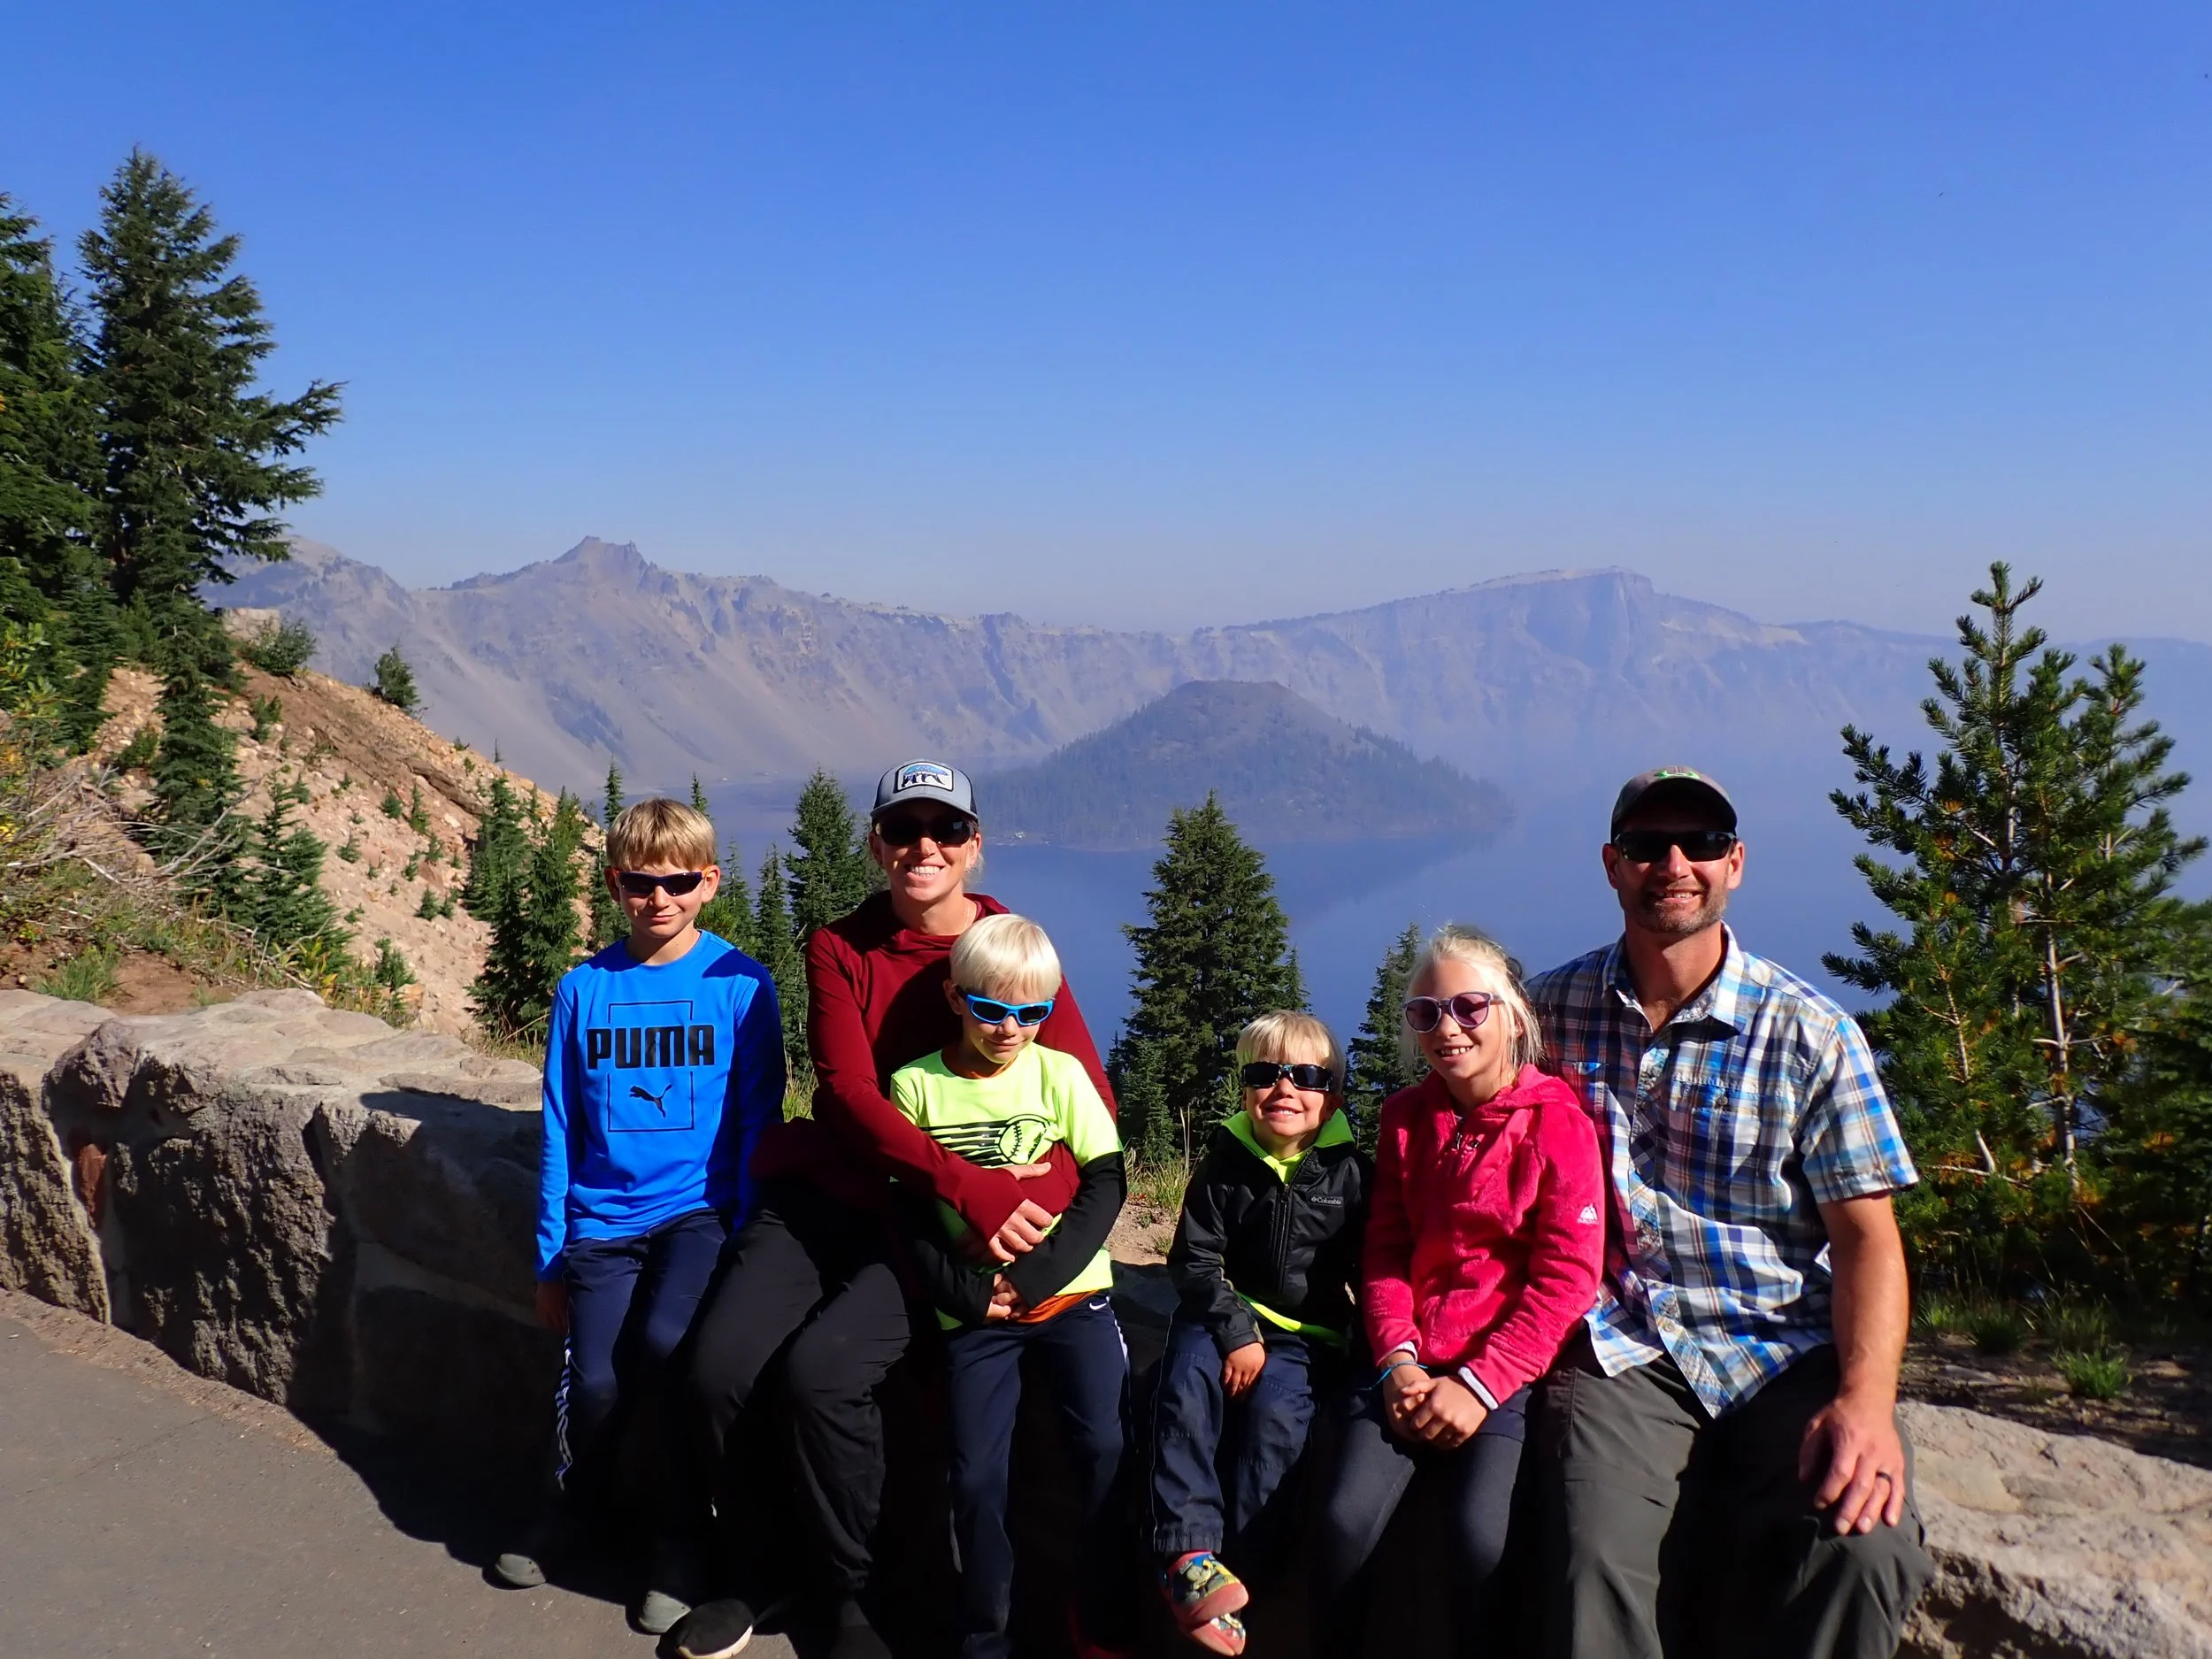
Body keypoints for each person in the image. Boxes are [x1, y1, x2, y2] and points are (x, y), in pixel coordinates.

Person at [676, 760, 1116, 1659]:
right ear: (877, 843)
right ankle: (759, 1569)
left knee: (823, 1374)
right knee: (715, 1366)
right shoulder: (841, 947)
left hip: (925, 1227)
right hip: (840, 1192)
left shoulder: (1012, 948)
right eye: (905, 830)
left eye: (946, 831)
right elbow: (847, 1097)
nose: (925, 847)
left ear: (974, 846)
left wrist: (1009, 1237)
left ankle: (856, 1596)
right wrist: (975, 1183)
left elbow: (1083, 1103)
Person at [1529, 766, 1934, 1659]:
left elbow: (1867, 1240)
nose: (1672, 863)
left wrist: (1866, 1404)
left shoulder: (1810, 1034)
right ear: (1611, 865)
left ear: (1735, 863)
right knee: (1586, 1558)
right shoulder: (1549, 1014)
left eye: (1700, 844)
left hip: (1782, 1350)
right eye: (1645, 846)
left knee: (1860, 1550)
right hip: (1624, 1347)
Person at [494, 798, 786, 1638]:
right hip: (602, 1221)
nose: (659, 899)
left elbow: (757, 1121)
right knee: (593, 1380)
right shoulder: (585, 990)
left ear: (709, 883)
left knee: (668, 1350)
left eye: (679, 881)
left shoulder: (740, 985)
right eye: (639, 882)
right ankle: (576, 1505)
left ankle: (682, 1540)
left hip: (697, 1214)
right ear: (615, 882)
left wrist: (741, 1232)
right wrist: (552, 1254)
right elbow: (559, 1124)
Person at [1313, 925, 1605, 1656]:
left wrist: (1479, 1384)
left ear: (1513, 1013)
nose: (1448, 1028)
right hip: (1405, 1364)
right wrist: (1399, 1360)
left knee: (1481, 1539)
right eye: (1426, 1013)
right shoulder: (1408, 1118)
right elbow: (1384, 1252)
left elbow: (1566, 1279)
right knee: (1342, 1519)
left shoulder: (1557, 1124)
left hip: (1502, 1375)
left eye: (1470, 1007)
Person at [887, 912, 1129, 1659]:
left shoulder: (1060, 1074)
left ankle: (1100, 1621)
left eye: (1033, 1011)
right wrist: (964, 1294)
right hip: (976, 1316)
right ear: (957, 998)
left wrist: (1031, 1278)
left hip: (1071, 1299)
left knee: (1108, 1448)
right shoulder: (915, 1087)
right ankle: (983, 1635)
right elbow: (904, 1214)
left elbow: (1107, 1181)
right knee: (976, 1474)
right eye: (992, 1008)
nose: (1011, 1027)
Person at [1147, 1010, 1371, 1657]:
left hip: (1305, 1336)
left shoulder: (1351, 1173)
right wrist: (1236, 1329)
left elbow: (1372, 1268)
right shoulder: (1226, 1161)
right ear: (1245, 1087)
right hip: (1223, 1313)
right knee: (1184, 1384)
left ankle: (1246, 1577)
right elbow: (1192, 1258)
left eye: (1306, 1075)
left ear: (1333, 1093)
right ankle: (1187, 1554)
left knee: (1277, 1424)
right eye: (1263, 1073)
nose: (1284, 1089)